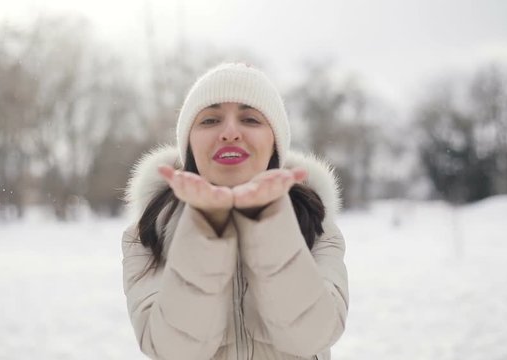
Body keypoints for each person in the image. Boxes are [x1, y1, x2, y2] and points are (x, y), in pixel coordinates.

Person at [121, 63, 349, 360]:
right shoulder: (149, 231)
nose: (230, 133)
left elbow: (310, 337)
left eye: (251, 119)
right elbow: (174, 350)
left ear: (274, 144)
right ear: (188, 143)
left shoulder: (316, 224)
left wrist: (266, 220)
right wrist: (207, 226)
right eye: (211, 120)